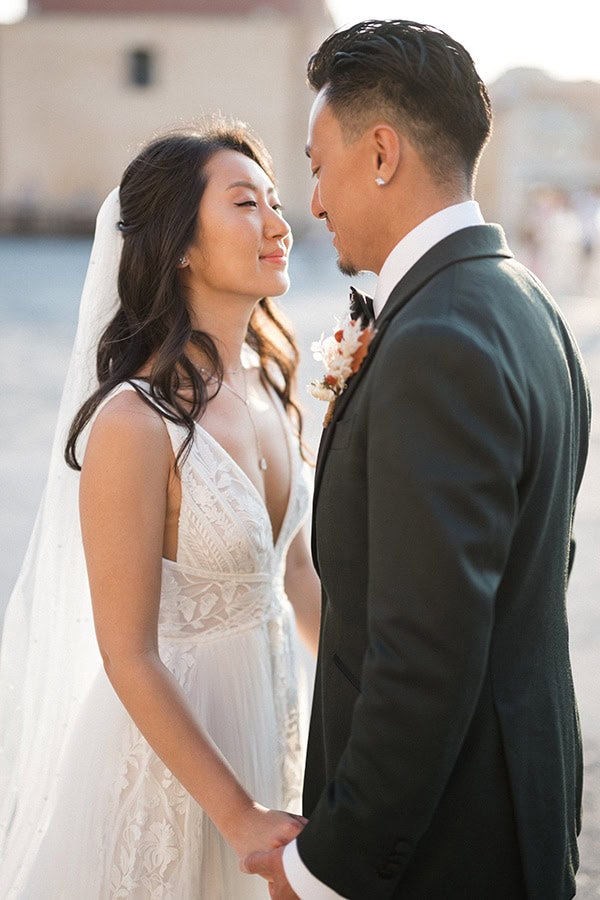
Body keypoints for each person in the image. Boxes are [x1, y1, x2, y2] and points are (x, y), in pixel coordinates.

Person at [243, 19, 591, 899]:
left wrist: (327, 867)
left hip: (450, 846)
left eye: (318, 166)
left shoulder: (437, 340)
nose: (313, 202)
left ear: (381, 153)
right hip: (519, 807)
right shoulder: (526, 303)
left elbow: (424, 656)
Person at [0, 121, 321, 898]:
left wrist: (386, 700)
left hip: (269, 729)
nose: (279, 224)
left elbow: (298, 577)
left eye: (276, 203)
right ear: (180, 245)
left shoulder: (273, 389)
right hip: (169, 776)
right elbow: (128, 654)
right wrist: (238, 816)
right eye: (245, 204)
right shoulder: (134, 423)